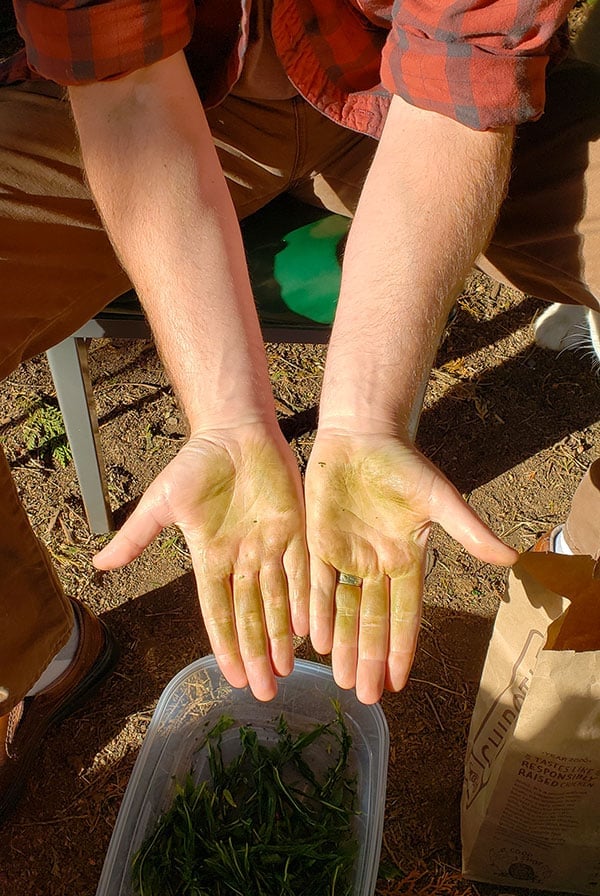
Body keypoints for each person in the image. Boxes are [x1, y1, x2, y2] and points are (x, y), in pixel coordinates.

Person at [0, 0, 598, 819]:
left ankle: (584, 567)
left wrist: (362, 419)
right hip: (191, 98)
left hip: (406, 92)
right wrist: (225, 418)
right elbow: (128, 88)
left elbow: (454, 90)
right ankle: (35, 655)